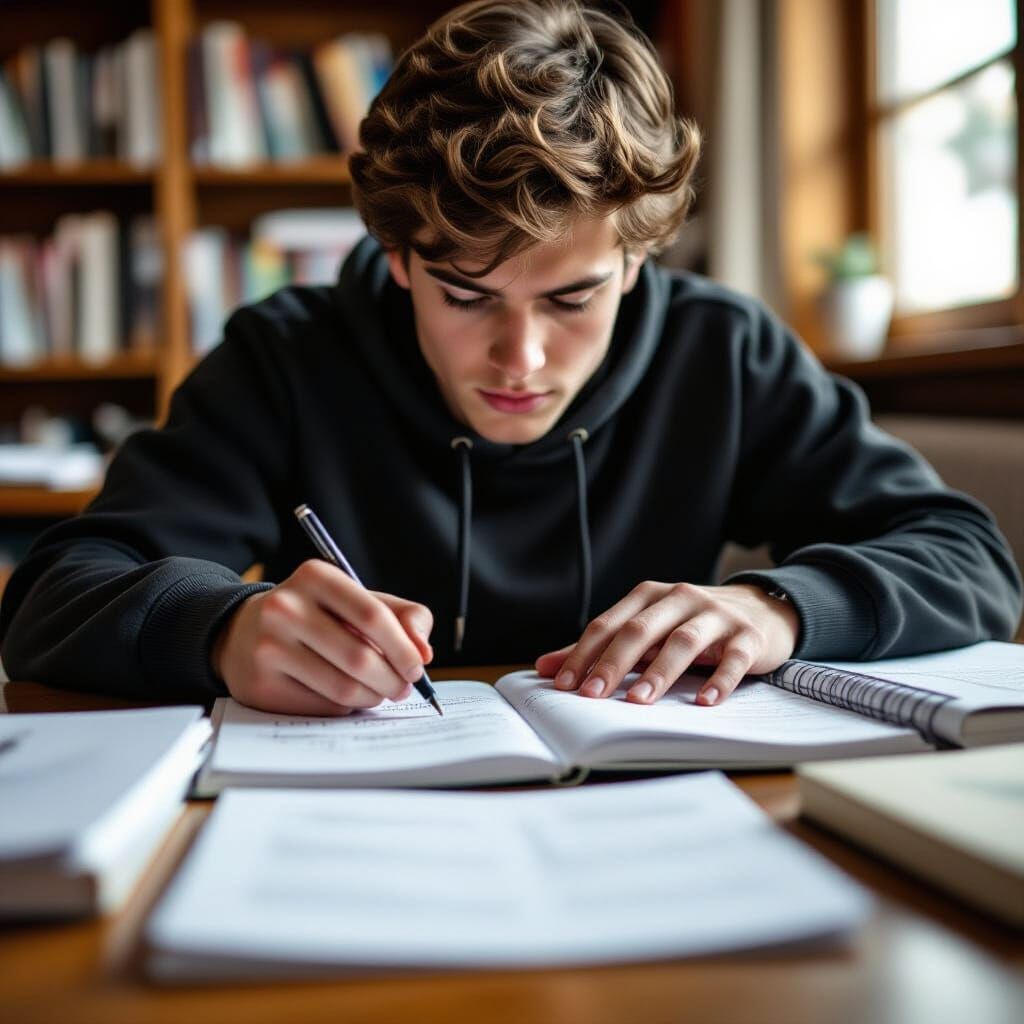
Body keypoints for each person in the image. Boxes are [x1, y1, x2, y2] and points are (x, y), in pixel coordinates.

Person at [0, 0, 1020, 716]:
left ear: (636, 259)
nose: (520, 356)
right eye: (465, 294)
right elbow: (55, 593)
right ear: (396, 257)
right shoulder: (285, 357)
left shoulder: (724, 349)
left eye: (571, 296)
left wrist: (776, 607)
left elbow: (968, 559)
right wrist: (221, 628)